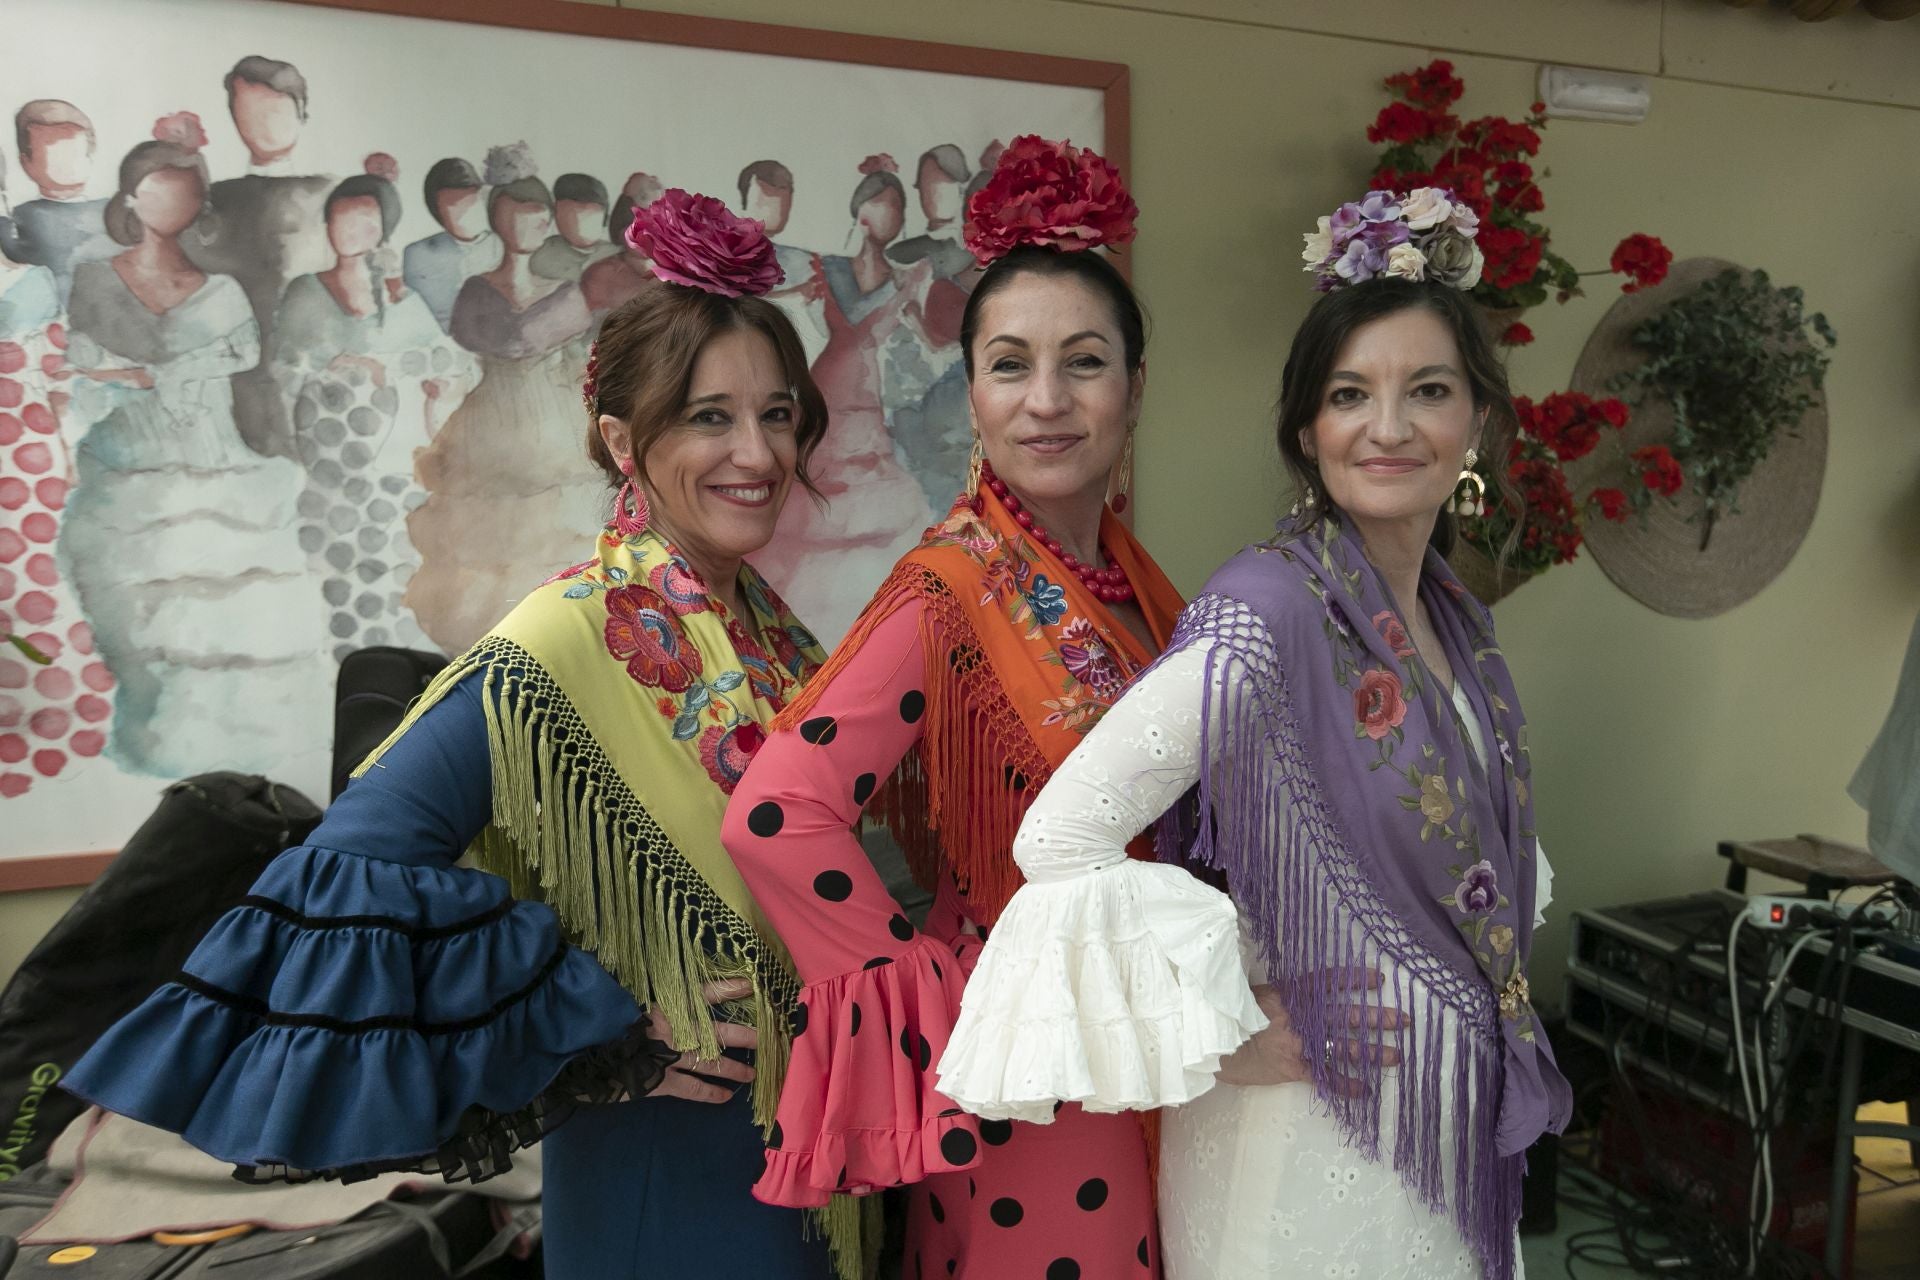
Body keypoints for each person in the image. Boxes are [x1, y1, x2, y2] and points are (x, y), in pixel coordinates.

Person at [63, 189, 870, 1280]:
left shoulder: (769, 629)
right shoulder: (561, 633)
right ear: (623, 440)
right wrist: (609, 1016)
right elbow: (344, 878)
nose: (757, 451)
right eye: (709, 415)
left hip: (801, 1154)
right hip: (666, 1171)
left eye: (777, 413)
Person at [938, 188, 1573, 1280]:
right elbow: (1063, 835)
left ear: (1478, 423)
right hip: (1307, 1138)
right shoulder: (1268, 611)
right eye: (1349, 393)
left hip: (1437, 1117)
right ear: (1304, 429)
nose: (1388, 426)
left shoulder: (1460, 622)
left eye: (1427, 390)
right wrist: (1229, 1022)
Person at [722, 137, 1180, 1279]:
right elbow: (779, 812)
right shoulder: (950, 585)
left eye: (1084, 363)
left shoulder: (1136, 583)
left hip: (1150, 1038)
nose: (1047, 400)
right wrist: (934, 995)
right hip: (1037, 1066)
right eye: (1010, 364)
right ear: (969, 392)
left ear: (1134, 385)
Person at [58, 113, 317, 779]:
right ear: (129, 197)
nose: (169, 202)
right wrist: (128, 377)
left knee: (229, 613)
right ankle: (149, 751)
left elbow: (239, 355)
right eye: (154, 188)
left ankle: (232, 769)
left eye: (183, 191)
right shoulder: (92, 279)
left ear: (200, 203)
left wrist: (158, 373)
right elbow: (77, 363)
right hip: (126, 460)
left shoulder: (224, 290)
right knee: (138, 613)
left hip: (217, 455)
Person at [271, 158, 472, 660]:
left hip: (396, 466)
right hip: (333, 467)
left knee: (404, 578)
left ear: (384, 227)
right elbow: (285, 367)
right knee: (344, 584)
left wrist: (402, 373)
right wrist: (343, 368)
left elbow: (449, 362)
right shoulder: (304, 293)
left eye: (364, 218)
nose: (351, 230)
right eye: (341, 217)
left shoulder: (401, 301)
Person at [405, 143, 598, 651]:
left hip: (551, 416)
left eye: (537, 216)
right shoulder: (476, 292)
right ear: (497, 220)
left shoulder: (565, 293)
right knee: (486, 540)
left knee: (553, 538)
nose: (529, 227)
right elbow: (505, 341)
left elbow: (532, 343)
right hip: (489, 418)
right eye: (517, 216)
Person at [747, 154, 935, 643]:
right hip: (827, 385)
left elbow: (932, 338)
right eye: (878, 202)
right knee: (811, 500)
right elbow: (848, 331)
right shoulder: (827, 267)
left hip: (868, 396)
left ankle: (862, 634)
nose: (887, 214)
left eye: (896, 205)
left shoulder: (904, 276)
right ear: (859, 210)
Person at [0, 139, 109, 799]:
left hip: (28, 462)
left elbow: (61, 381)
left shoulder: (33, 283)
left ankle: (60, 729)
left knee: (33, 586)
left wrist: (66, 454)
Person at [186, 55, 334, 459]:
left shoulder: (331, 195)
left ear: (302, 112)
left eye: (275, 110)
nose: (262, 123)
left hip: (318, 362)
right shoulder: (214, 200)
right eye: (248, 111)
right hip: (237, 368)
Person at [0, 100, 114, 305]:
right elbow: (15, 252)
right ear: (26, 163)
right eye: (55, 156)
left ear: (90, 156)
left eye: (76, 155)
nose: (67, 166)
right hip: (54, 307)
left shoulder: (109, 210)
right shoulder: (29, 214)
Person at [403, 156, 504, 333]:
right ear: (436, 210)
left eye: (471, 202)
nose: (464, 212)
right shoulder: (419, 254)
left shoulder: (502, 245)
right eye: (454, 205)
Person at [531, 173, 617, 282]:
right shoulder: (542, 254)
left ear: (606, 218)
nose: (577, 222)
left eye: (587, 214)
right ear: (555, 215)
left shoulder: (616, 256)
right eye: (568, 215)